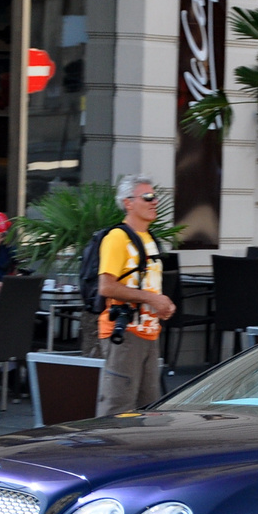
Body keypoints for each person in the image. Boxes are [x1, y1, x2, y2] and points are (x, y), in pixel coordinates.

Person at [95, 175, 176, 416]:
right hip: (125, 333)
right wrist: (152, 299)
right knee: (118, 408)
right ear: (128, 202)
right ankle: (108, 452)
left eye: (155, 197)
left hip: (149, 334)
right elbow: (106, 286)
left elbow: (147, 286)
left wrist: (161, 303)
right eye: (148, 197)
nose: (155, 202)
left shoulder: (150, 239)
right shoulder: (117, 238)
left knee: (147, 409)